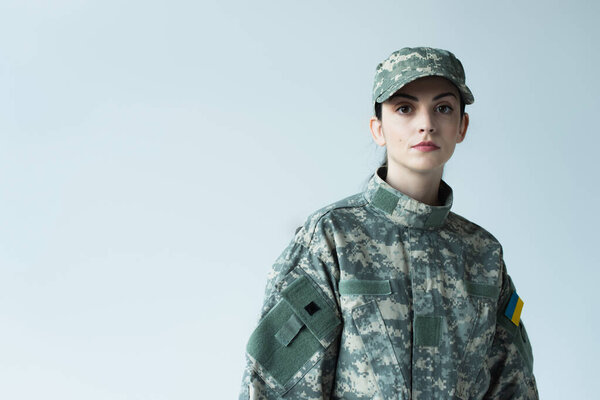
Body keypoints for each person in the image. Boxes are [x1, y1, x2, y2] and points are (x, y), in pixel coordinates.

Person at [238, 47, 539, 400]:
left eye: (443, 108)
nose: (425, 123)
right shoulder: (332, 239)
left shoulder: (483, 255)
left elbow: (514, 387)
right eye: (405, 108)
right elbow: (274, 387)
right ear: (378, 128)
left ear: (462, 126)